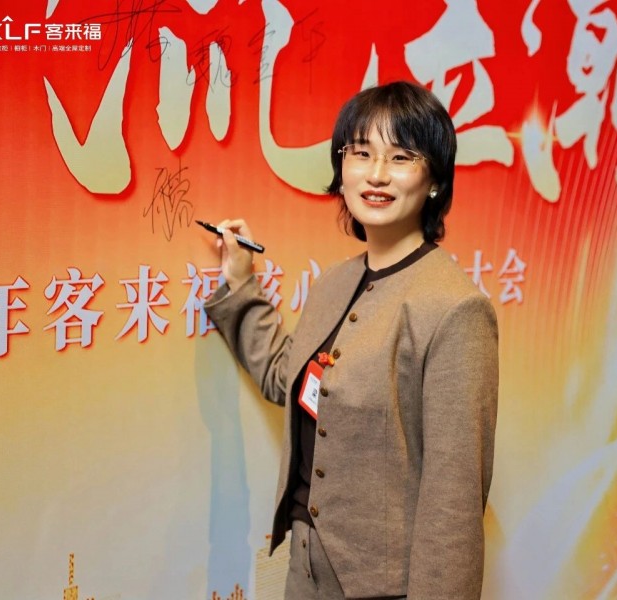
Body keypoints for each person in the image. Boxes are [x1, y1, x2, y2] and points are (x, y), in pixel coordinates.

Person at [204, 81, 498, 600]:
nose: (376, 174)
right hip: (305, 566)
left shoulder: (454, 308)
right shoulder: (335, 282)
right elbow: (288, 378)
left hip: (385, 586)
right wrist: (241, 283)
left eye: (401, 157)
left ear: (434, 180)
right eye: (360, 153)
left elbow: (453, 501)